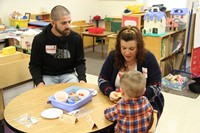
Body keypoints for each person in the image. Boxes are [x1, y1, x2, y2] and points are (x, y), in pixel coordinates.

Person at [98, 26, 164, 119]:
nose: (127, 53)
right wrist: (110, 92)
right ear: (119, 46)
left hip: (143, 104)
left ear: (139, 47)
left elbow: (156, 85)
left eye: (131, 49)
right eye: (123, 48)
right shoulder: (113, 56)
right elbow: (102, 79)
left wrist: (134, 98)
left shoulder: (148, 58)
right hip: (116, 102)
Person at [29, 5, 86, 87]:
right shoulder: (39, 39)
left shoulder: (76, 38)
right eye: (64, 23)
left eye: (69, 22)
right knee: (45, 97)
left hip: (68, 75)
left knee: (76, 94)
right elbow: (34, 65)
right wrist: (39, 83)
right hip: (47, 76)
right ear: (53, 23)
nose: (68, 26)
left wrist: (82, 79)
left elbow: (80, 62)